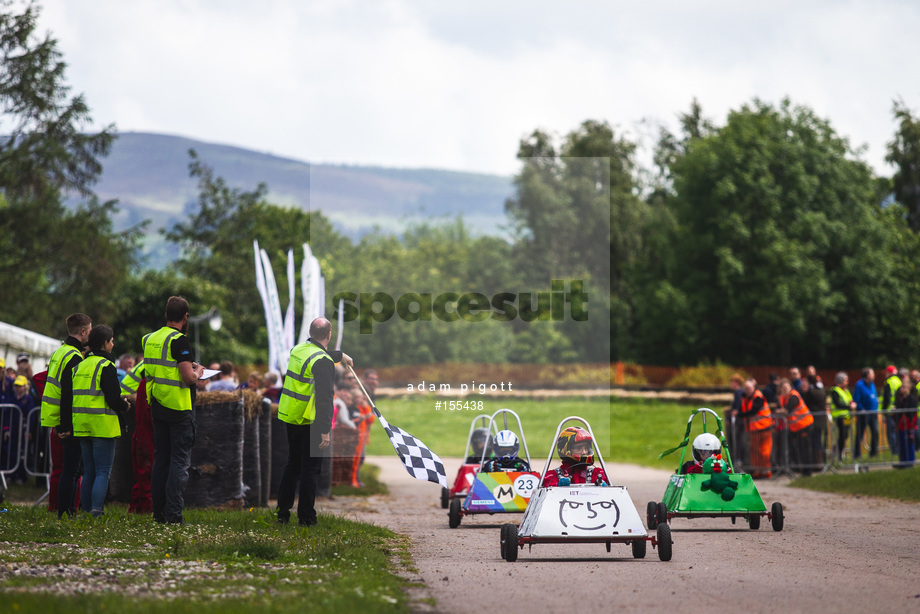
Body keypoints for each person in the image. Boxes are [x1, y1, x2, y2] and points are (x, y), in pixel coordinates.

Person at [276, 318, 352, 526]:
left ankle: (282, 513)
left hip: (291, 416)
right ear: (329, 335)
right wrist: (325, 430)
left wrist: (340, 355)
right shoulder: (324, 362)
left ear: (310, 332)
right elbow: (325, 399)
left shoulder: (297, 350)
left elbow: (318, 354)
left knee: (292, 464)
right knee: (310, 469)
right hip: (310, 421)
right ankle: (307, 517)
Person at [145, 296, 205, 524]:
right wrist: (197, 372)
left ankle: (158, 513)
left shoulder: (150, 339)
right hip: (179, 408)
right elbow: (187, 377)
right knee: (179, 462)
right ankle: (174, 515)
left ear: (166, 315)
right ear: (185, 317)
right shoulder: (179, 340)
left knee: (161, 461)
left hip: (158, 404)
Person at [71, 325, 129, 517]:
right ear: (105, 343)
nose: (113, 343)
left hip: (82, 424)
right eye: (111, 340)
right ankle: (96, 510)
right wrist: (125, 406)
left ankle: (86, 510)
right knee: (103, 471)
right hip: (102, 425)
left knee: (88, 472)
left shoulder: (80, 365)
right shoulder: (106, 366)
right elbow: (113, 398)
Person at [40, 312, 92, 517]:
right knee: (72, 469)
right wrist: (66, 425)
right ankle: (67, 511)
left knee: (67, 469)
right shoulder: (73, 356)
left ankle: (65, 510)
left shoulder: (61, 351)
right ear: (83, 331)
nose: (90, 333)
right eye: (89, 329)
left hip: (55, 416)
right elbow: (68, 394)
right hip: (67, 419)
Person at [541, 426, 609, 487]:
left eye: (586, 448)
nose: (584, 452)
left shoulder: (596, 473)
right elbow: (547, 490)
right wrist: (557, 485)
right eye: (579, 449)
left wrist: (604, 488)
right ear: (565, 450)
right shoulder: (552, 476)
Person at [735, 378, 773, 478]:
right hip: (753, 429)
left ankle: (766, 472)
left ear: (753, 388)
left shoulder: (758, 397)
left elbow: (753, 411)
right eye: (746, 388)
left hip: (764, 428)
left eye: (749, 388)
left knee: (764, 452)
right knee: (754, 451)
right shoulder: (746, 398)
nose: (747, 390)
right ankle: (757, 471)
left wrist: (738, 415)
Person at [778, 378, 815, 475]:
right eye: (783, 388)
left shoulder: (793, 396)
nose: (785, 389)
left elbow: (786, 410)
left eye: (786, 387)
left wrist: (777, 411)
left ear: (790, 387)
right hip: (797, 427)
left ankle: (807, 471)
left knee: (805, 449)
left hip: (805, 425)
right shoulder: (786, 397)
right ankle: (802, 469)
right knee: (800, 448)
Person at [801, 376, 827, 467]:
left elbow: (806, 403)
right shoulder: (822, 391)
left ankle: (817, 463)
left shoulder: (811, 393)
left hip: (814, 420)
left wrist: (805, 392)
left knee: (815, 442)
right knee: (818, 441)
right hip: (821, 420)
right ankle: (820, 462)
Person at [828, 372, 855, 462]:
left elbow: (850, 400)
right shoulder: (835, 390)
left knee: (845, 435)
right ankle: (839, 454)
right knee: (842, 435)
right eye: (845, 380)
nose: (847, 382)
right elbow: (838, 404)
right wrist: (849, 406)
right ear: (840, 381)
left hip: (847, 416)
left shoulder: (846, 390)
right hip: (839, 417)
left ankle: (838, 450)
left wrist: (852, 404)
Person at [853, 367, 878, 459]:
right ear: (867, 375)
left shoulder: (872, 384)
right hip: (863, 414)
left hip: (873, 412)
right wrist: (862, 409)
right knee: (860, 434)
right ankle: (857, 454)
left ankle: (873, 453)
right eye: (872, 373)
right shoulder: (859, 385)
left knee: (875, 432)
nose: (874, 375)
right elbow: (856, 399)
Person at [893, 382, 917, 468]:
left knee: (909, 444)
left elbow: (913, 414)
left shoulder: (912, 399)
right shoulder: (900, 399)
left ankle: (909, 462)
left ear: (908, 388)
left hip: (908, 425)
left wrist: (911, 427)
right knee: (902, 444)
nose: (901, 389)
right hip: (901, 426)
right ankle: (902, 462)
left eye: (903, 387)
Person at [880, 365, 900, 456]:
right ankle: (899, 449)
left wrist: (883, 411)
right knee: (897, 431)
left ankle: (894, 451)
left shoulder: (888, 382)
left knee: (891, 432)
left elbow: (887, 398)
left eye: (886, 373)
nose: (885, 374)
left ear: (889, 373)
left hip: (890, 411)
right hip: (898, 410)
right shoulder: (899, 381)